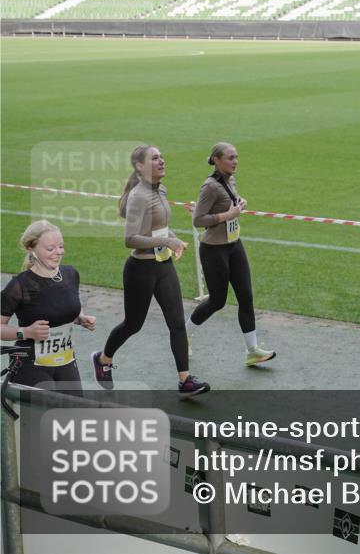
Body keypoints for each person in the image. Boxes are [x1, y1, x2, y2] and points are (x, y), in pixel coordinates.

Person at [92, 145, 210, 397]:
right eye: (155, 158)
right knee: (133, 324)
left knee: (177, 323)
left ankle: (185, 380)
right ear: (140, 166)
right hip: (140, 269)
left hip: (163, 266)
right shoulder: (138, 197)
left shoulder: (161, 190)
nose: (161, 161)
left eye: (161, 157)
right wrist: (167, 241)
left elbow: (160, 227)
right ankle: (103, 359)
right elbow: (130, 239)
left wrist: (174, 239)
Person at [187, 142, 274, 366]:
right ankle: (183, 334)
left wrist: (239, 203)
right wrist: (229, 214)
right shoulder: (209, 187)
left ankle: (252, 351)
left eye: (236, 157)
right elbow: (199, 219)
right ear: (216, 160)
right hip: (214, 250)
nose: (235, 162)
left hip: (234, 245)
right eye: (230, 158)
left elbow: (228, 204)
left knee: (246, 296)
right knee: (217, 301)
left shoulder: (230, 180)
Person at [1, 221, 96, 395]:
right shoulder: (19, 285)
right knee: (42, 411)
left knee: (75, 408)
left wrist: (80, 317)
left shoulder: (70, 274)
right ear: (31, 249)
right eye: (50, 248)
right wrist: (25, 332)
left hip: (66, 361)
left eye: (61, 246)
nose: (58, 252)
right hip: (30, 364)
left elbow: (67, 304)